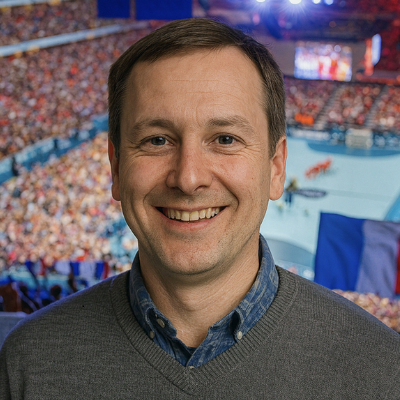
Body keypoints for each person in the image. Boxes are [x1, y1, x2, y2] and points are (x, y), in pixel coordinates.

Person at [1, 18, 400, 399]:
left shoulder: (382, 370)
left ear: (276, 167)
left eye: (225, 139)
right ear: (117, 168)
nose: (188, 178)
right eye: (157, 140)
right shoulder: (28, 364)